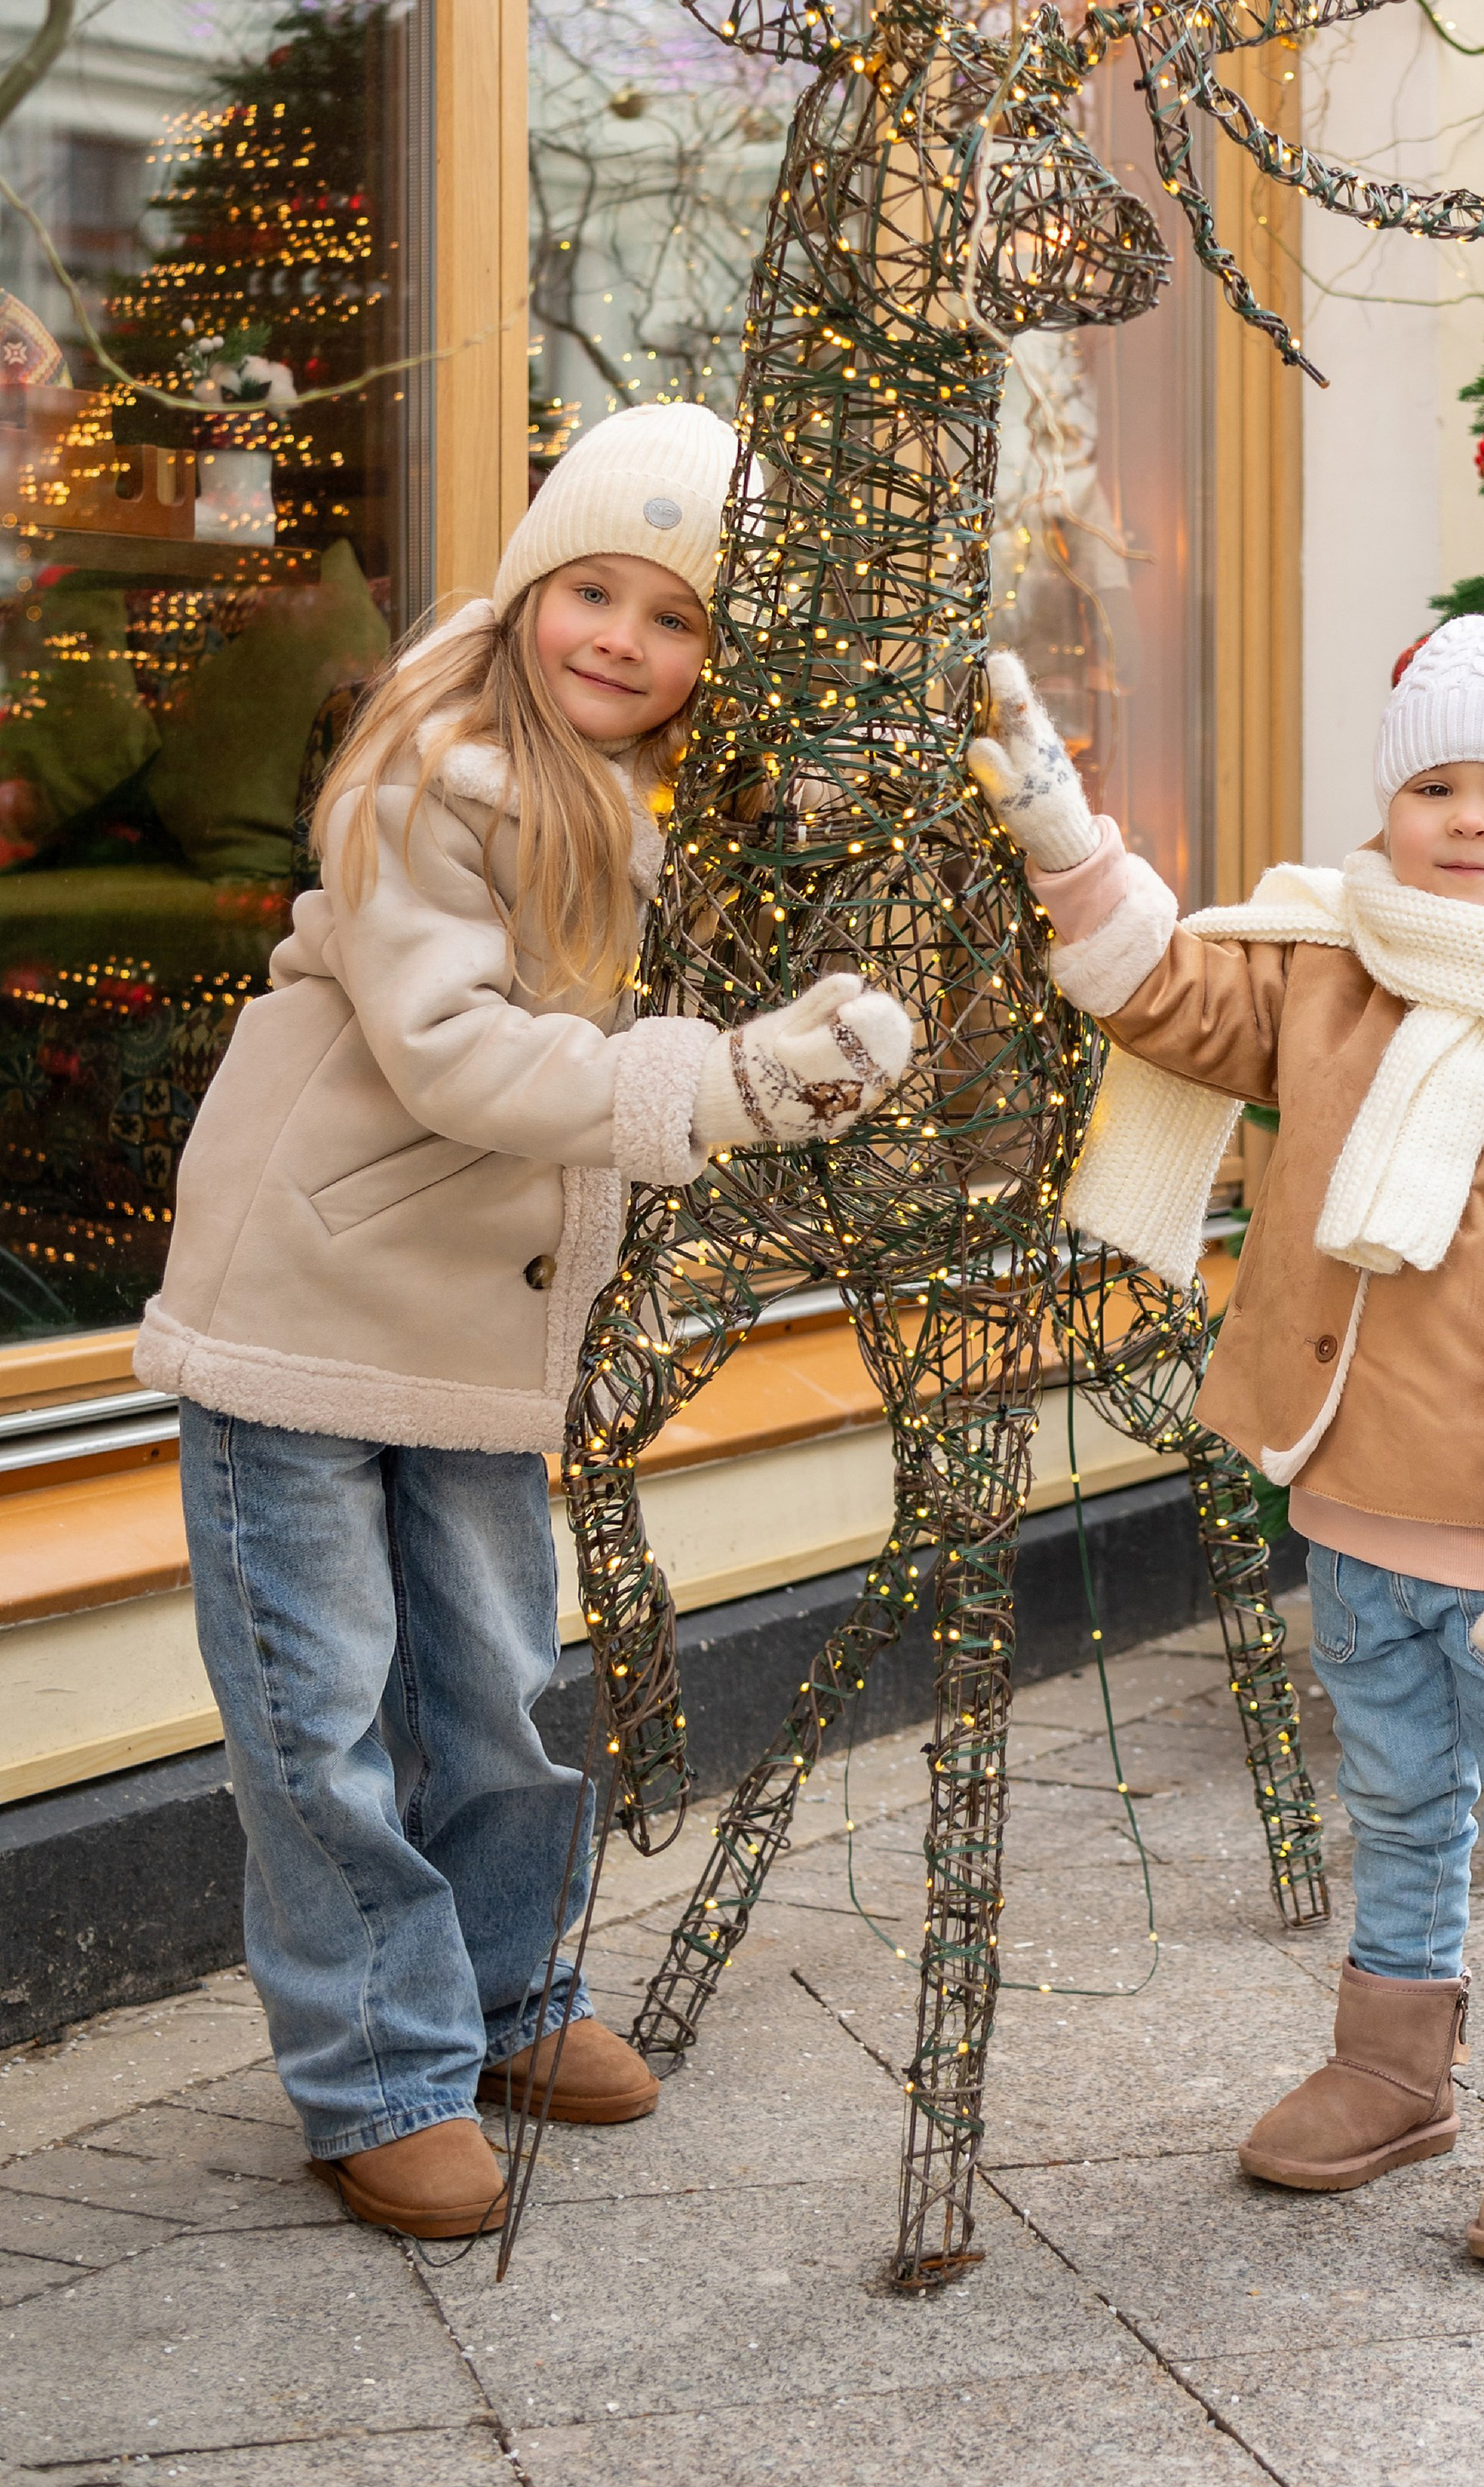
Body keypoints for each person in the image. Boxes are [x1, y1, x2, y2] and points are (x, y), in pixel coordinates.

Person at [140, 404, 916, 2240]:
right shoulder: (433, 772)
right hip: (307, 1316)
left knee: (489, 1691)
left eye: (674, 617)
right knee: (318, 1716)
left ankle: (499, 1998)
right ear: (527, 585)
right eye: (591, 590)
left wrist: (811, 1054)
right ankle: (376, 2071)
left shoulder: (635, 803)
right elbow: (457, 1052)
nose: (620, 640)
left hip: (475, 1340)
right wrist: (721, 1081)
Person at [969, 576, 1484, 2270]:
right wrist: (1060, 831)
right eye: (1437, 784)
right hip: (1346, 1504)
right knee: (1391, 1803)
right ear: (1387, 799)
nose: (1469, 821)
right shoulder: (1328, 972)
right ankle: (1393, 2065)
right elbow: (1159, 992)